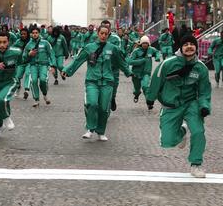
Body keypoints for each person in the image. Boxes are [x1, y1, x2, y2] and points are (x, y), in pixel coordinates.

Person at [146, 34, 212, 178]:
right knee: (167, 142)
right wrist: (150, 98)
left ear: (196, 47)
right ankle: (182, 131)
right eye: (186, 44)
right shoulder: (168, 64)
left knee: (198, 131)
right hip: (171, 105)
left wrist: (204, 106)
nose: (189, 46)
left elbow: (204, 91)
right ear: (181, 48)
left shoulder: (201, 68)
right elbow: (156, 80)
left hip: (191, 104)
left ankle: (196, 165)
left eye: (192, 44)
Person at [62, 24, 131, 141]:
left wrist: (128, 72)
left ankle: (101, 132)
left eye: (106, 34)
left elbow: (120, 62)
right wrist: (67, 70)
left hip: (107, 82)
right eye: (101, 33)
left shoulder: (113, 48)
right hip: (92, 81)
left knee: (104, 108)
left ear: (109, 34)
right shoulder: (89, 48)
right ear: (97, 33)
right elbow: (78, 60)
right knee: (92, 104)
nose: (103, 36)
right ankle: (89, 129)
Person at [22, 26, 56, 107]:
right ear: (31, 34)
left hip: (43, 65)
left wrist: (53, 66)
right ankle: (36, 99)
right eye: (33, 33)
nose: (35, 34)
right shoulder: (28, 45)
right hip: (33, 65)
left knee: (43, 80)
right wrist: (28, 54)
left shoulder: (45, 43)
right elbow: (24, 57)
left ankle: (45, 94)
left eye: (36, 33)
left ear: (39, 33)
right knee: (33, 81)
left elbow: (52, 54)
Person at [128, 35, 160, 109]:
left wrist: (157, 57)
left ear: (148, 43)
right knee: (136, 89)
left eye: (146, 43)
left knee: (146, 87)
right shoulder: (136, 51)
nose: (145, 45)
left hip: (146, 73)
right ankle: (136, 94)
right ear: (141, 44)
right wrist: (141, 61)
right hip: (136, 74)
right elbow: (129, 61)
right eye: (143, 43)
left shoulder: (151, 49)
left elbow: (157, 52)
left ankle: (149, 102)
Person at [12, 28, 31, 98]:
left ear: (27, 34)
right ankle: (18, 87)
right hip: (20, 63)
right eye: (21, 34)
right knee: (17, 77)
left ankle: (26, 90)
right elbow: (12, 49)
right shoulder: (18, 42)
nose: (23, 35)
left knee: (28, 74)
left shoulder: (31, 42)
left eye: (24, 34)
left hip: (29, 62)